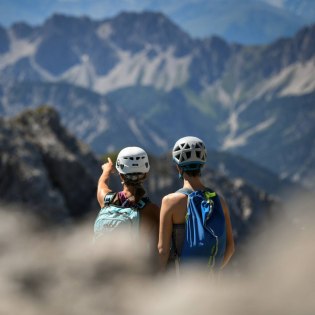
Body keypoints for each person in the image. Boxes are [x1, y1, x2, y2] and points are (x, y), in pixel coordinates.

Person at [158, 136, 234, 272]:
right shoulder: (219, 201)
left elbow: (163, 250)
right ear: (202, 165)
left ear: (178, 167)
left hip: (183, 284)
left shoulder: (170, 202)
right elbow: (230, 248)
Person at [96, 146, 160, 252]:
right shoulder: (152, 210)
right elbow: (160, 248)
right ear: (145, 174)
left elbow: (101, 184)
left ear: (121, 175)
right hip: (132, 266)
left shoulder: (106, 200)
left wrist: (107, 169)